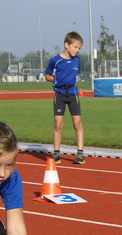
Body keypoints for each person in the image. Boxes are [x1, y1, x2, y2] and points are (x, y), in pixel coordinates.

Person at [45, 31, 85, 164]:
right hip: (60, 95)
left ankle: (80, 154)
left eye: (79, 48)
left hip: (73, 94)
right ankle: (56, 153)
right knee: (58, 124)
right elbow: (47, 75)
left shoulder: (77, 60)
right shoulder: (56, 60)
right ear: (66, 45)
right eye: (75, 47)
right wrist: (56, 80)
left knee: (77, 123)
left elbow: (74, 74)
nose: (77, 50)